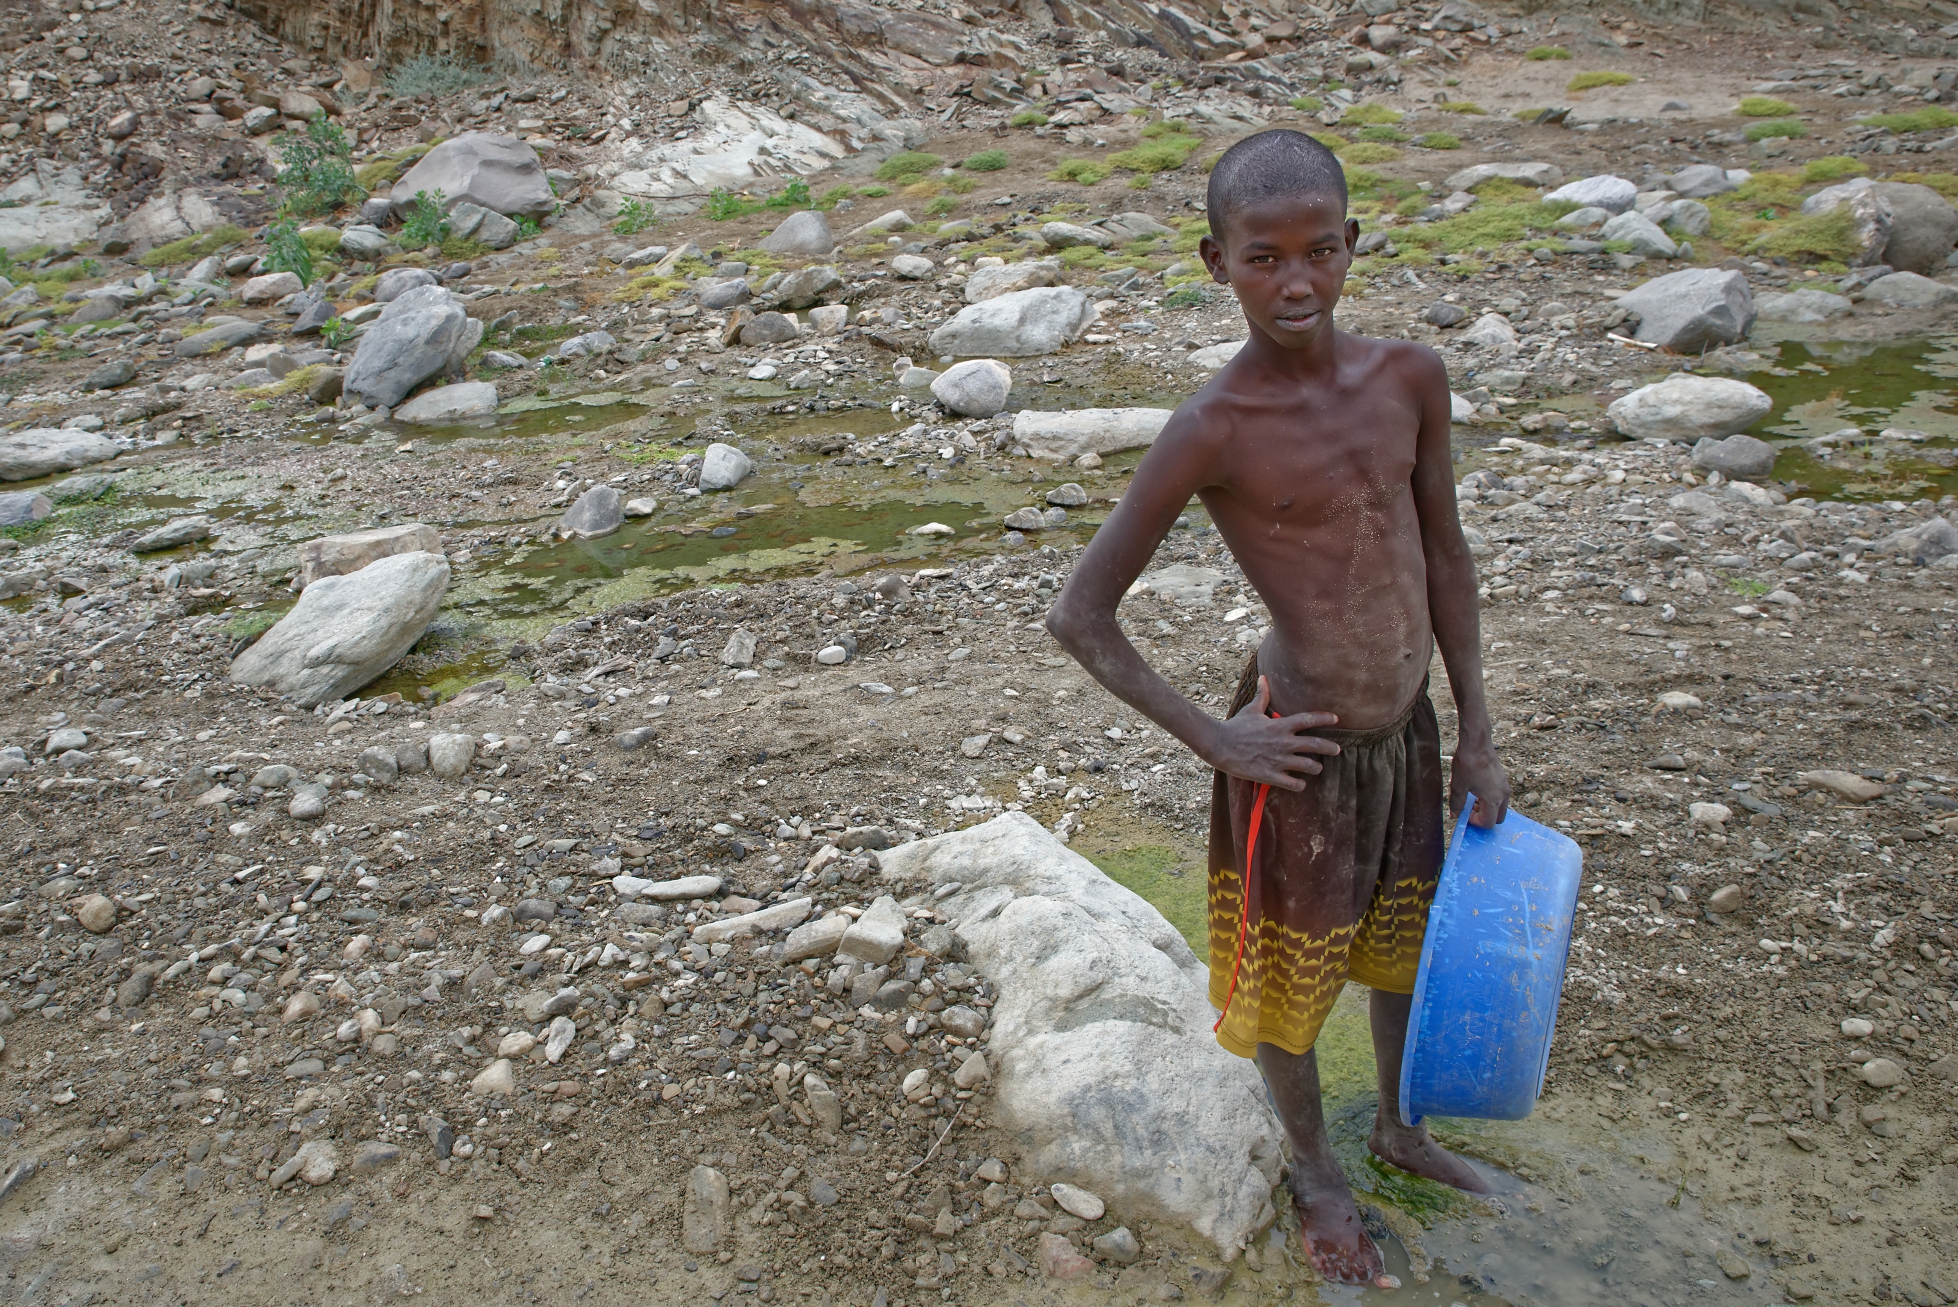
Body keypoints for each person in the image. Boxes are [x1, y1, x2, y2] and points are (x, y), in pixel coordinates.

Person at [1044, 128, 1511, 1286]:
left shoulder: (1408, 378)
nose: (1295, 282)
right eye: (1263, 258)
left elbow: (1444, 557)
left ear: (1352, 242)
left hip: (1406, 728)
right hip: (1294, 754)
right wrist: (1216, 736)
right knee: (1290, 984)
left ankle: (1398, 1125)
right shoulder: (1214, 427)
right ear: (1217, 263)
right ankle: (1316, 1172)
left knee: (1403, 949)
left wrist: (1475, 731)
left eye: (1317, 251)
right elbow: (1080, 614)